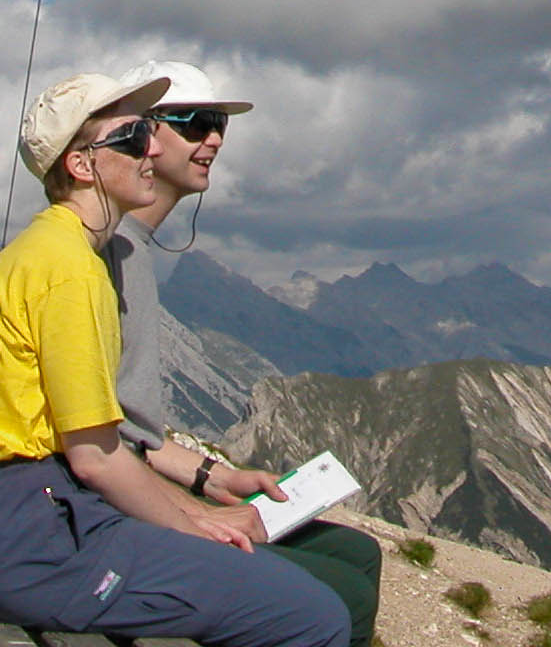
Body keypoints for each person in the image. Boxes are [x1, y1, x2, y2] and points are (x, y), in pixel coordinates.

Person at [0, 70, 350, 647]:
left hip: (27, 517)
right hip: (39, 536)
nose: (152, 148)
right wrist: (193, 528)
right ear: (81, 165)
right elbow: (97, 459)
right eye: (132, 138)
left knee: (299, 602)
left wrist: (194, 516)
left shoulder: (50, 249)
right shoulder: (70, 270)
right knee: (313, 617)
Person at [110, 60, 385, 647]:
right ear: (142, 133)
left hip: (128, 490)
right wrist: (193, 517)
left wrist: (215, 477)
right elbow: (93, 442)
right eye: (195, 123)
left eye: (220, 125)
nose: (213, 139)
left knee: (358, 554)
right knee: (346, 593)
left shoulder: (130, 250)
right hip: (108, 512)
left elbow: (129, 431)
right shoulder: (107, 253)